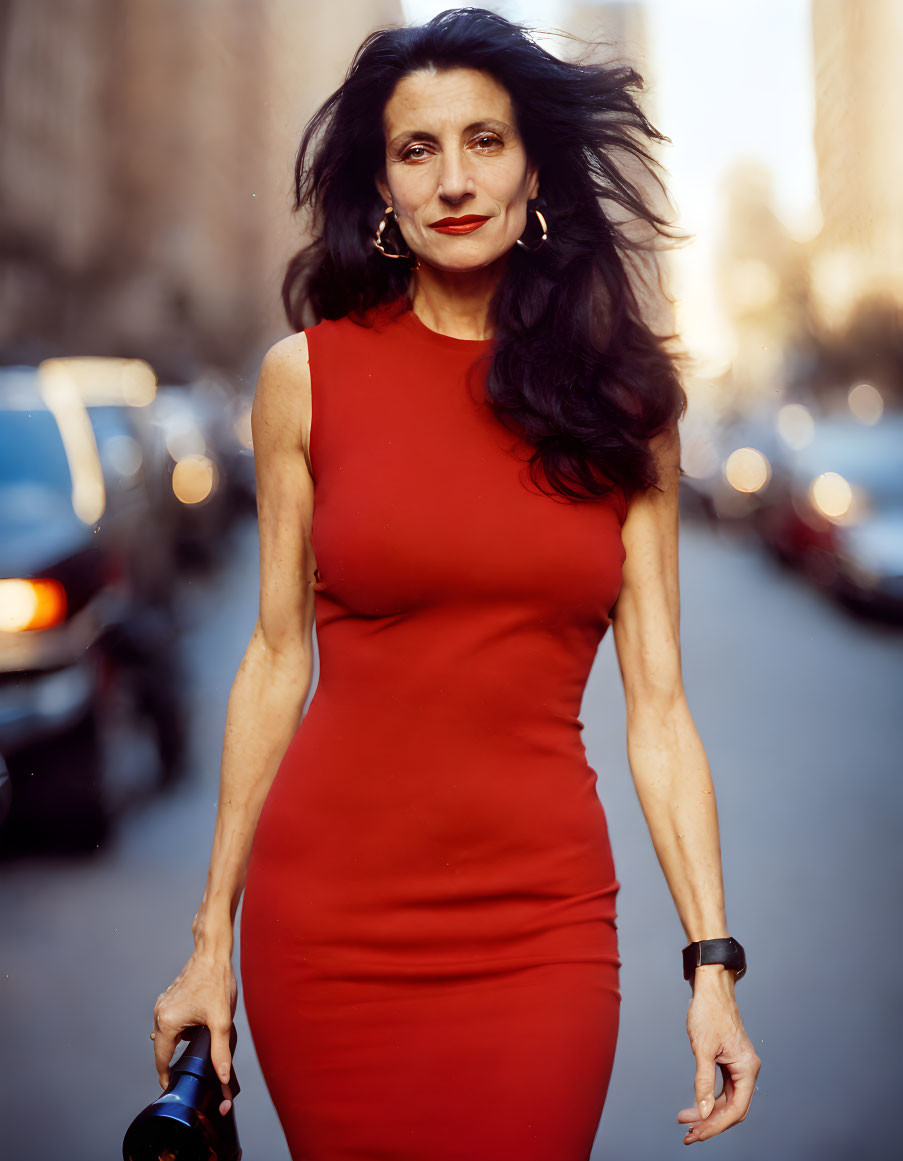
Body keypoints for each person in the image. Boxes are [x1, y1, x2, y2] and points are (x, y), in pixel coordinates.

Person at [151, 8, 761, 1158]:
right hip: (328, 923)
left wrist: (713, 960)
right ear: (380, 187)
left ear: (536, 169)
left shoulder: (626, 407)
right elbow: (276, 661)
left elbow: (662, 712)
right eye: (417, 149)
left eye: (485, 141)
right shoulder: (306, 379)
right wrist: (207, 944)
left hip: (542, 924)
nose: (453, 180)